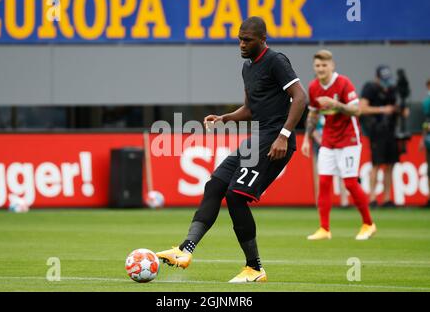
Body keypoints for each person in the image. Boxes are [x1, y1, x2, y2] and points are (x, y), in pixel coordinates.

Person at [156, 16, 307, 283]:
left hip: (275, 139)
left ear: (263, 39)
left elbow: (300, 96)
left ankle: (255, 268)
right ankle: (185, 249)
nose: (241, 44)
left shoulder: (276, 61)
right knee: (214, 185)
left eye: (247, 40)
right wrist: (225, 118)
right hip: (257, 137)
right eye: (239, 38)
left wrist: (283, 135)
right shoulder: (248, 68)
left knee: (236, 196)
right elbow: (250, 109)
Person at [301, 50, 376, 241]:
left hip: (349, 138)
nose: (321, 69)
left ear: (332, 66)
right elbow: (313, 115)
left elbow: (357, 110)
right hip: (328, 139)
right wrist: (306, 140)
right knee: (324, 182)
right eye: (317, 65)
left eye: (324, 65)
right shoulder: (314, 87)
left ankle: (368, 224)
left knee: (350, 182)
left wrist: (336, 103)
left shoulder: (343, 83)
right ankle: (324, 229)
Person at [360, 65, 406, 208]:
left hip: (391, 131)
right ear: (377, 78)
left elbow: (402, 110)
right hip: (377, 131)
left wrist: (400, 109)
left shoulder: (393, 90)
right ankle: (372, 198)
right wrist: (382, 109)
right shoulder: (370, 88)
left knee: (390, 164)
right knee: (376, 164)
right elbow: (362, 108)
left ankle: (387, 198)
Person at [419, 79, 430, 208]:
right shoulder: (426, 103)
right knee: (429, 170)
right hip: (429, 141)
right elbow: (425, 123)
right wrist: (423, 138)